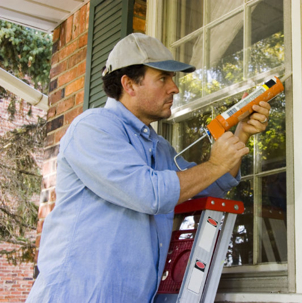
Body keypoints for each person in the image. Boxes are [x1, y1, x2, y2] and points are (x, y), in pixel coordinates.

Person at [26, 33, 271, 302]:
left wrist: (241, 134)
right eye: (163, 78)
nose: (174, 88)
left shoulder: (159, 147)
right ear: (129, 84)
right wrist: (214, 164)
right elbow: (149, 193)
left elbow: (210, 186)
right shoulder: (93, 128)